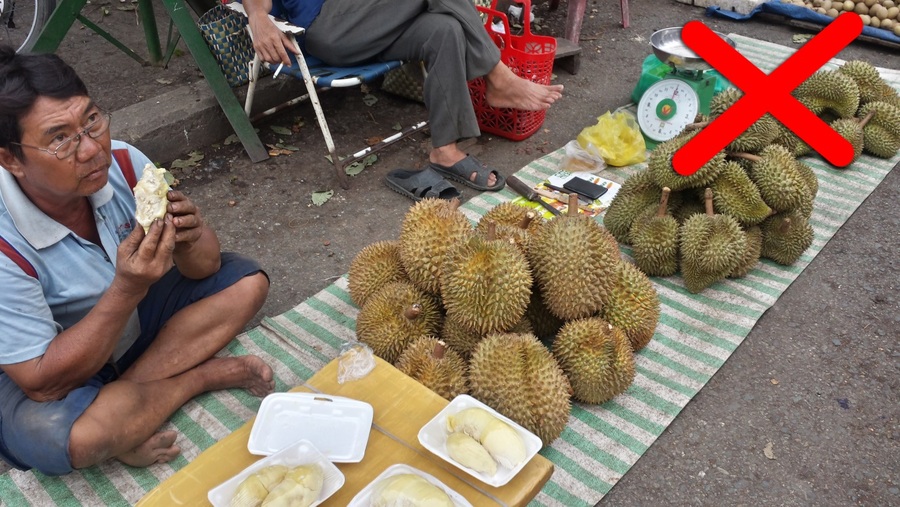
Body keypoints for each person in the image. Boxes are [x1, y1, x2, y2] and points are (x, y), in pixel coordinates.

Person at [0, 46, 274, 476]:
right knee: (75, 437)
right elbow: (41, 381)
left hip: (129, 326)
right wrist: (128, 287)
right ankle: (198, 378)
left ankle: (129, 406)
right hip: (48, 360)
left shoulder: (124, 163)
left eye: (92, 121)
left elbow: (205, 267)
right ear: (10, 158)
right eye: (59, 139)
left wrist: (190, 235)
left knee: (248, 283)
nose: (90, 149)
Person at [242, 0, 564, 200]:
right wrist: (256, 16)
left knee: (445, 29)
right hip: (327, 27)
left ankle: (445, 150)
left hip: (373, 18)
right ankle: (498, 76)